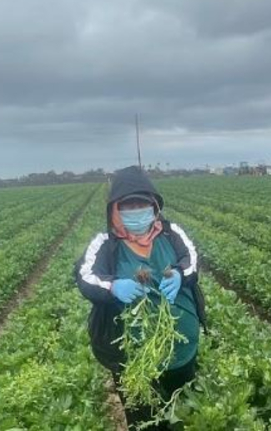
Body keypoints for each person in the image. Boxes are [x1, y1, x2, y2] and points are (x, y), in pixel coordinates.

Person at [74, 166, 205, 430]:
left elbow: (192, 260)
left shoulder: (171, 232)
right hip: (132, 356)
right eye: (128, 205)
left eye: (142, 203)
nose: (136, 211)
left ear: (154, 206)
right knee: (144, 419)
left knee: (182, 413)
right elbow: (84, 276)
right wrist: (112, 287)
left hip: (182, 348)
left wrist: (180, 273)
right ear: (115, 210)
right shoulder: (105, 244)